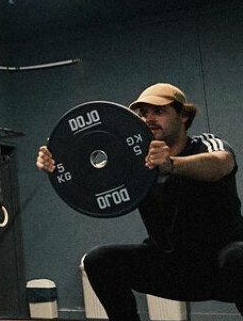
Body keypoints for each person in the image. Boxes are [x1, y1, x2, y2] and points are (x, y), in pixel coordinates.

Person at [36, 83, 243, 320]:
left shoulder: (207, 144)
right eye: (143, 113)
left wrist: (171, 164)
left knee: (238, 257)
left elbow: (221, 163)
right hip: (171, 267)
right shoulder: (134, 163)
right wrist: (57, 163)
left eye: (159, 111)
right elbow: (93, 174)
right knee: (99, 261)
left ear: (183, 116)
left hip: (221, 267)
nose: (149, 118)